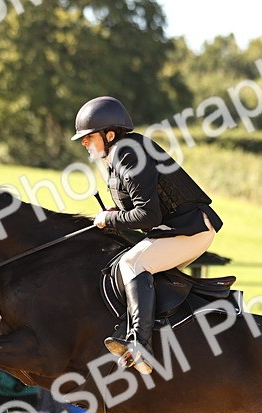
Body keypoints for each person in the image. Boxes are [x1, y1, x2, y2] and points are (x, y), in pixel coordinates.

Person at [72, 95, 224, 374]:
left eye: (88, 136)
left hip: (189, 230)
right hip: (176, 228)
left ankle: (140, 344)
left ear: (109, 134)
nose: (83, 142)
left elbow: (148, 216)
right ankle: (139, 331)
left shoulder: (126, 152)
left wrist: (110, 218)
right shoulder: (121, 153)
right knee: (124, 262)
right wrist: (114, 212)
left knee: (133, 264)